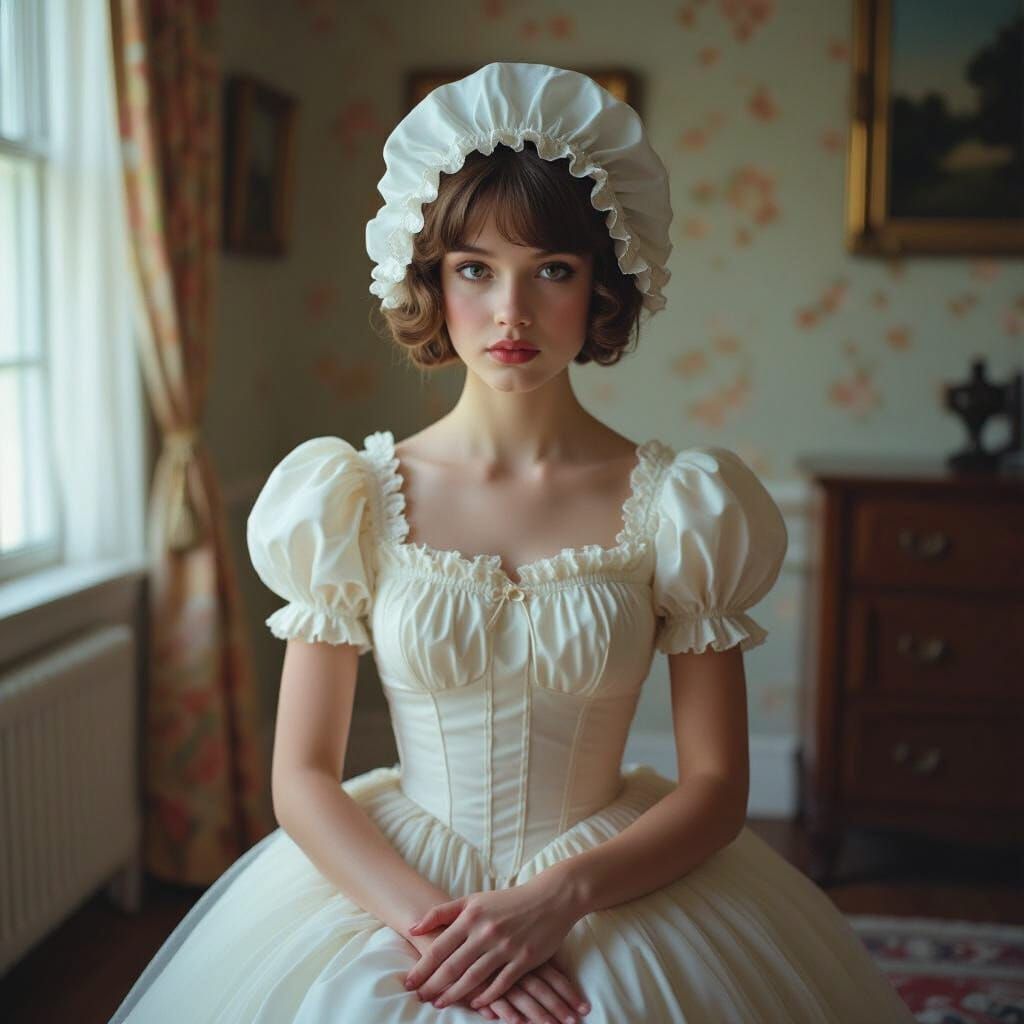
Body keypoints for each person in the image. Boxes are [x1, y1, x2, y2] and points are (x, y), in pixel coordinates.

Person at [110, 62, 916, 1023]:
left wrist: (555, 902)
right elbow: (302, 776)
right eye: (475, 269)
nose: (512, 313)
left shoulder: (683, 506)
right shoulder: (349, 498)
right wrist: (442, 931)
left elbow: (715, 786)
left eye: (554, 271)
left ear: (603, 286)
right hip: (400, 884)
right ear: (432, 281)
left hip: (606, 880)